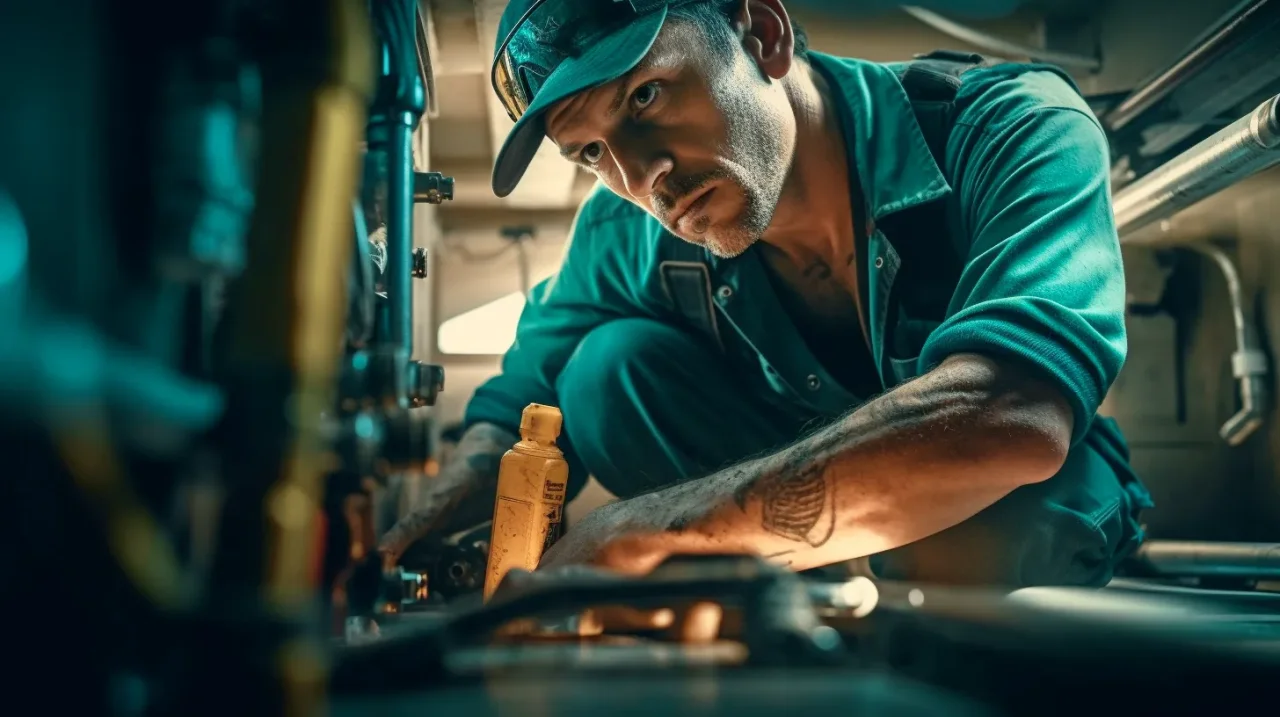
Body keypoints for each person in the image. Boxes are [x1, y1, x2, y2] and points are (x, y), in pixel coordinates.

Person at [381, 0, 1154, 588]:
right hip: (783, 524)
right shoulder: (624, 228)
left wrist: (644, 531)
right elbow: (521, 400)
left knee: (1012, 539)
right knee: (601, 372)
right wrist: (412, 528)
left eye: (645, 96)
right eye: (590, 151)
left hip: (996, 504)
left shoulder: (1010, 126)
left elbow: (1013, 413)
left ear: (762, 34)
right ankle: (784, 593)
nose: (640, 176)